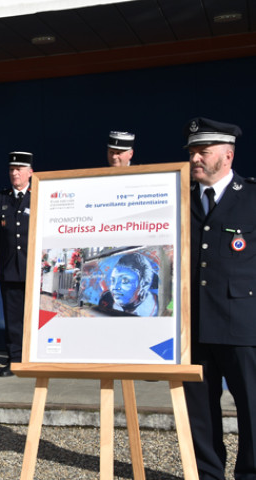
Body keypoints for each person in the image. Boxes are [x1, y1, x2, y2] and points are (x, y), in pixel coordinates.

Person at [183, 117, 256, 479]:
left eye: (203, 152)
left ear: (227, 156)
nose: (195, 158)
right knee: (199, 410)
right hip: (192, 325)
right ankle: (208, 474)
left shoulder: (253, 197)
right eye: (192, 151)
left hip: (241, 325)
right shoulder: (179, 199)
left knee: (252, 409)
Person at [0, 151, 33, 377]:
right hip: (10, 268)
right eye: (11, 170)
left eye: (19, 169)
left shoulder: (38, 196)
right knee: (13, 317)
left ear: (30, 172)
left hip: (33, 269)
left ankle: (33, 359)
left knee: (35, 317)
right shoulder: (0, 199)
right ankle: (15, 360)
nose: (15, 173)